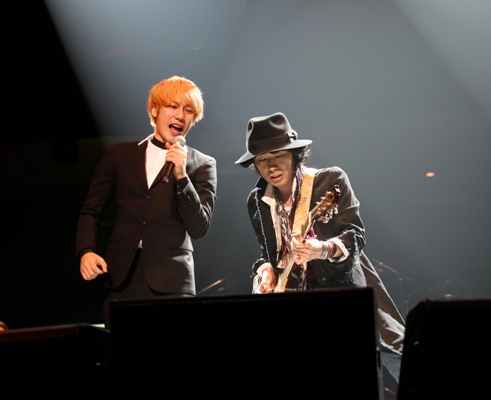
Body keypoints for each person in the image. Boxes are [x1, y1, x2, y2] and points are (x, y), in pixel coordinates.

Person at [234, 112, 405, 382]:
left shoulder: (329, 180)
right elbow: (268, 254)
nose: (271, 165)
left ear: (294, 154)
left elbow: (355, 236)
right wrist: (265, 272)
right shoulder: (257, 201)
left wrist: (322, 249)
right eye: (262, 159)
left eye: (278, 155)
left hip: (340, 291)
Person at [75, 75, 217, 329]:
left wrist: (181, 176)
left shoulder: (202, 164)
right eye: (173, 106)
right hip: (121, 279)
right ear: (154, 110)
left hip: (173, 282)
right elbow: (90, 211)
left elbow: (199, 227)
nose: (180, 116)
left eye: (188, 110)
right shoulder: (120, 154)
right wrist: (86, 251)